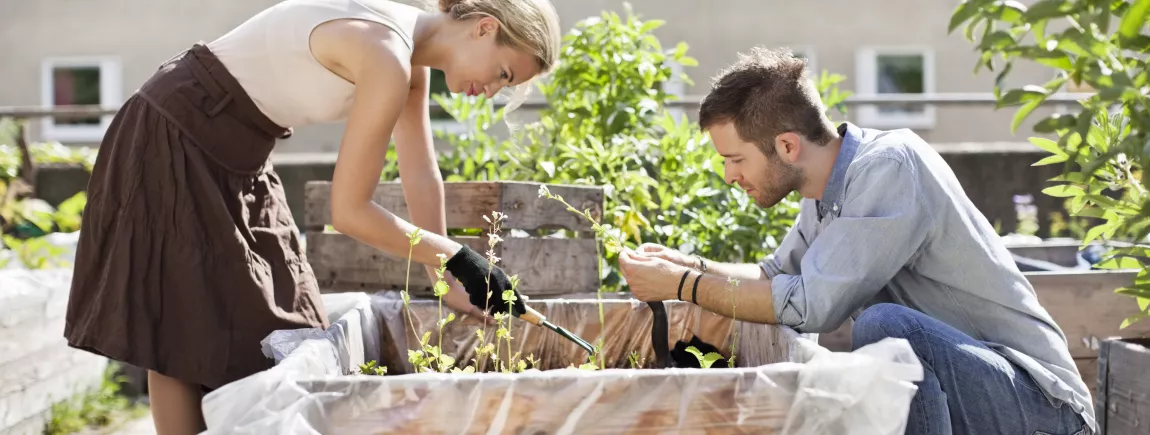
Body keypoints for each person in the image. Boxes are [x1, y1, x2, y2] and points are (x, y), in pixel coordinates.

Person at [63, 0, 559, 433]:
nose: (491, 90)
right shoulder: (384, 52)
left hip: (242, 149)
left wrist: (445, 278)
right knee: (182, 326)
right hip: (176, 130)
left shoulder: (408, 62)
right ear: (485, 27)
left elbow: (419, 171)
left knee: (283, 321)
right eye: (504, 74)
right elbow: (349, 211)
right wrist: (459, 257)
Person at [618, 46, 1095, 435]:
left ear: (787, 145)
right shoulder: (824, 187)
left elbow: (809, 305)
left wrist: (683, 286)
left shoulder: (891, 167)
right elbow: (774, 275)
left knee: (887, 328)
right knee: (883, 337)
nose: (729, 175)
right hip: (981, 392)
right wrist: (688, 265)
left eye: (736, 159)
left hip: (1043, 408)